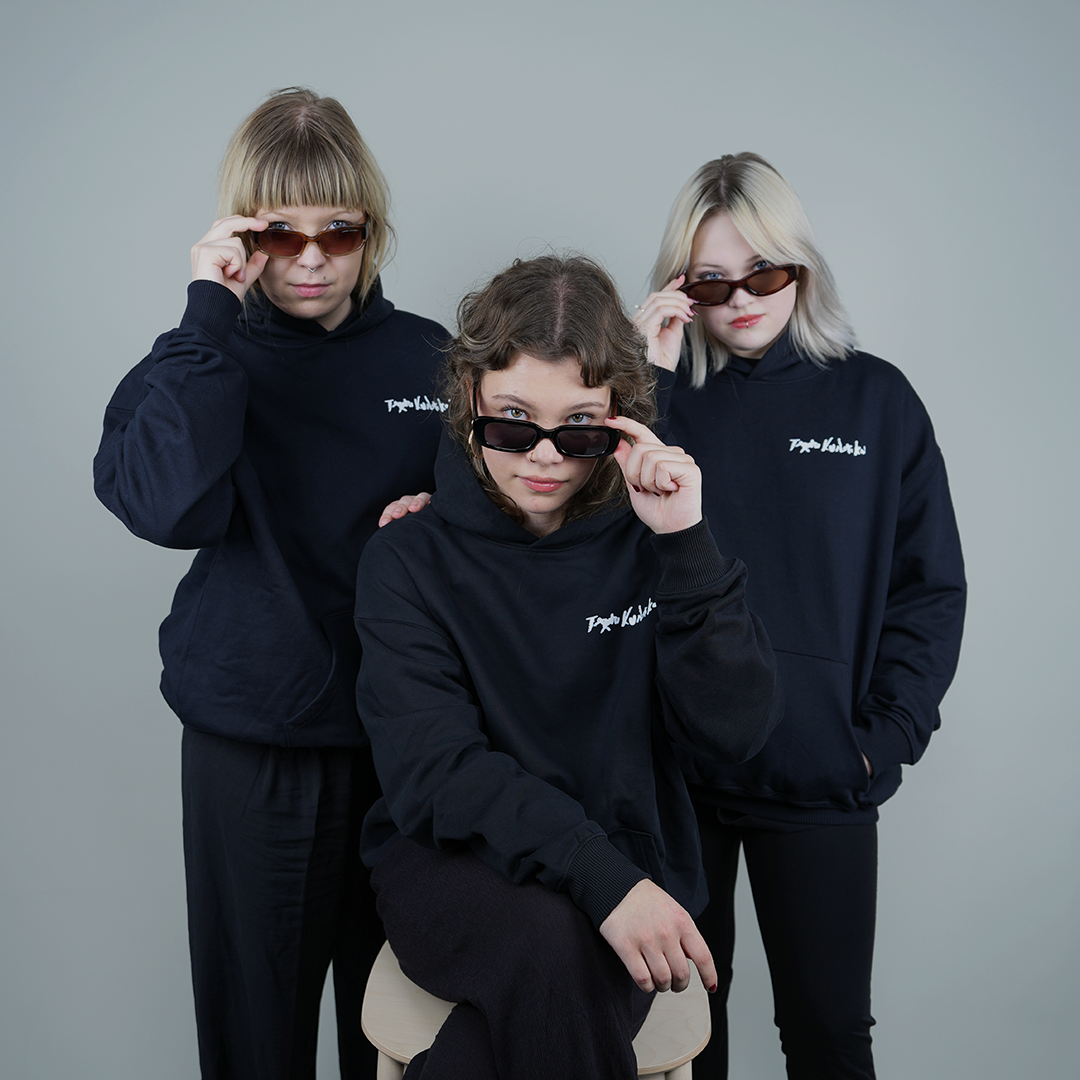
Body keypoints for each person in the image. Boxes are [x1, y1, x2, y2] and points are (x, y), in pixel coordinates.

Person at [353, 254, 783, 1079]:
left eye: (580, 427)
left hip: (628, 864)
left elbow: (736, 732)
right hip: (455, 869)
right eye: (514, 423)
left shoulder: (656, 538)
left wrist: (687, 545)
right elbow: (435, 769)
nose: (545, 457)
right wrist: (600, 877)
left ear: (621, 416)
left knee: (513, 1011)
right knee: (550, 939)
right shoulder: (406, 558)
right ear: (470, 397)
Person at [93, 88, 447, 1080]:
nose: (312, 259)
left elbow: (511, 532)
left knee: (408, 1040)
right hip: (253, 749)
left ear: (370, 230)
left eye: (340, 232)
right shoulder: (200, 355)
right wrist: (208, 312)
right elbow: (166, 507)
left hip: (405, 746)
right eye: (281, 235)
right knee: (257, 1044)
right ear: (242, 235)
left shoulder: (433, 358)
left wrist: (449, 524)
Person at [634, 153, 967, 1079]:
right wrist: (646, 385)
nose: (741, 300)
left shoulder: (877, 400)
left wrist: (883, 739)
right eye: (712, 282)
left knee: (827, 1039)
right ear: (680, 287)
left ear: (801, 268)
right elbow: (594, 555)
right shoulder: (658, 403)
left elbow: (929, 588)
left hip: (821, 774)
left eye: (764, 273)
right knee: (678, 1042)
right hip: (675, 782)